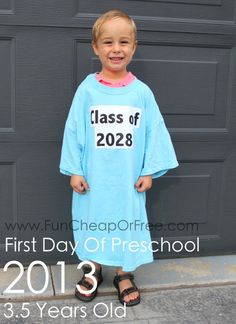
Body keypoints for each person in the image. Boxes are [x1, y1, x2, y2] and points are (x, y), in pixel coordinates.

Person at [59, 9, 179, 307]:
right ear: (96, 47)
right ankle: (94, 268)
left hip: (127, 180)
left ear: (134, 47)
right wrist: (75, 169)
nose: (116, 49)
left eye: (123, 42)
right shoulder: (87, 90)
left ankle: (124, 273)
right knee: (93, 221)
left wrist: (149, 170)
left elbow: (154, 132)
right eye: (108, 42)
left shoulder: (141, 93)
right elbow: (73, 130)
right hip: (94, 178)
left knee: (128, 223)